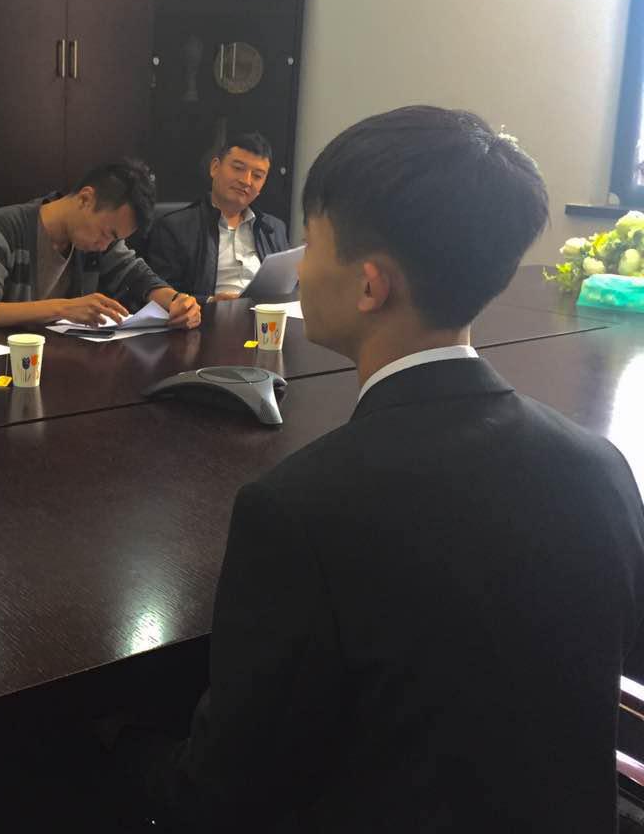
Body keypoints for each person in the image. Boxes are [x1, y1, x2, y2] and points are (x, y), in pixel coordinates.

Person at [120, 107, 644, 830]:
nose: (302, 267)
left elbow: (227, 788)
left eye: (314, 244)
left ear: (370, 286)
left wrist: (122, 751)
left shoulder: (300, 511)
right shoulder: (601, 469)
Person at [0, 159, 201, 330]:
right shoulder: (9, 225)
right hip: (9, 365)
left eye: (114, 240)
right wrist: (63, 309)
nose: (104, 246)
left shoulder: (97, 241)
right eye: (106, 233)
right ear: (85, 199)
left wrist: (177, 301)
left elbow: (137, 275)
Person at [147, 131, 289, 300]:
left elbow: (288, 286)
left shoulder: (274, 229)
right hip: (207, 314)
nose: (246, 181)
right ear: (215, 168)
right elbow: (161, 294)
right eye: (238, 168)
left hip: (263, 314)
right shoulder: (174, 228)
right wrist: (210, 302)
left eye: (257, 176)